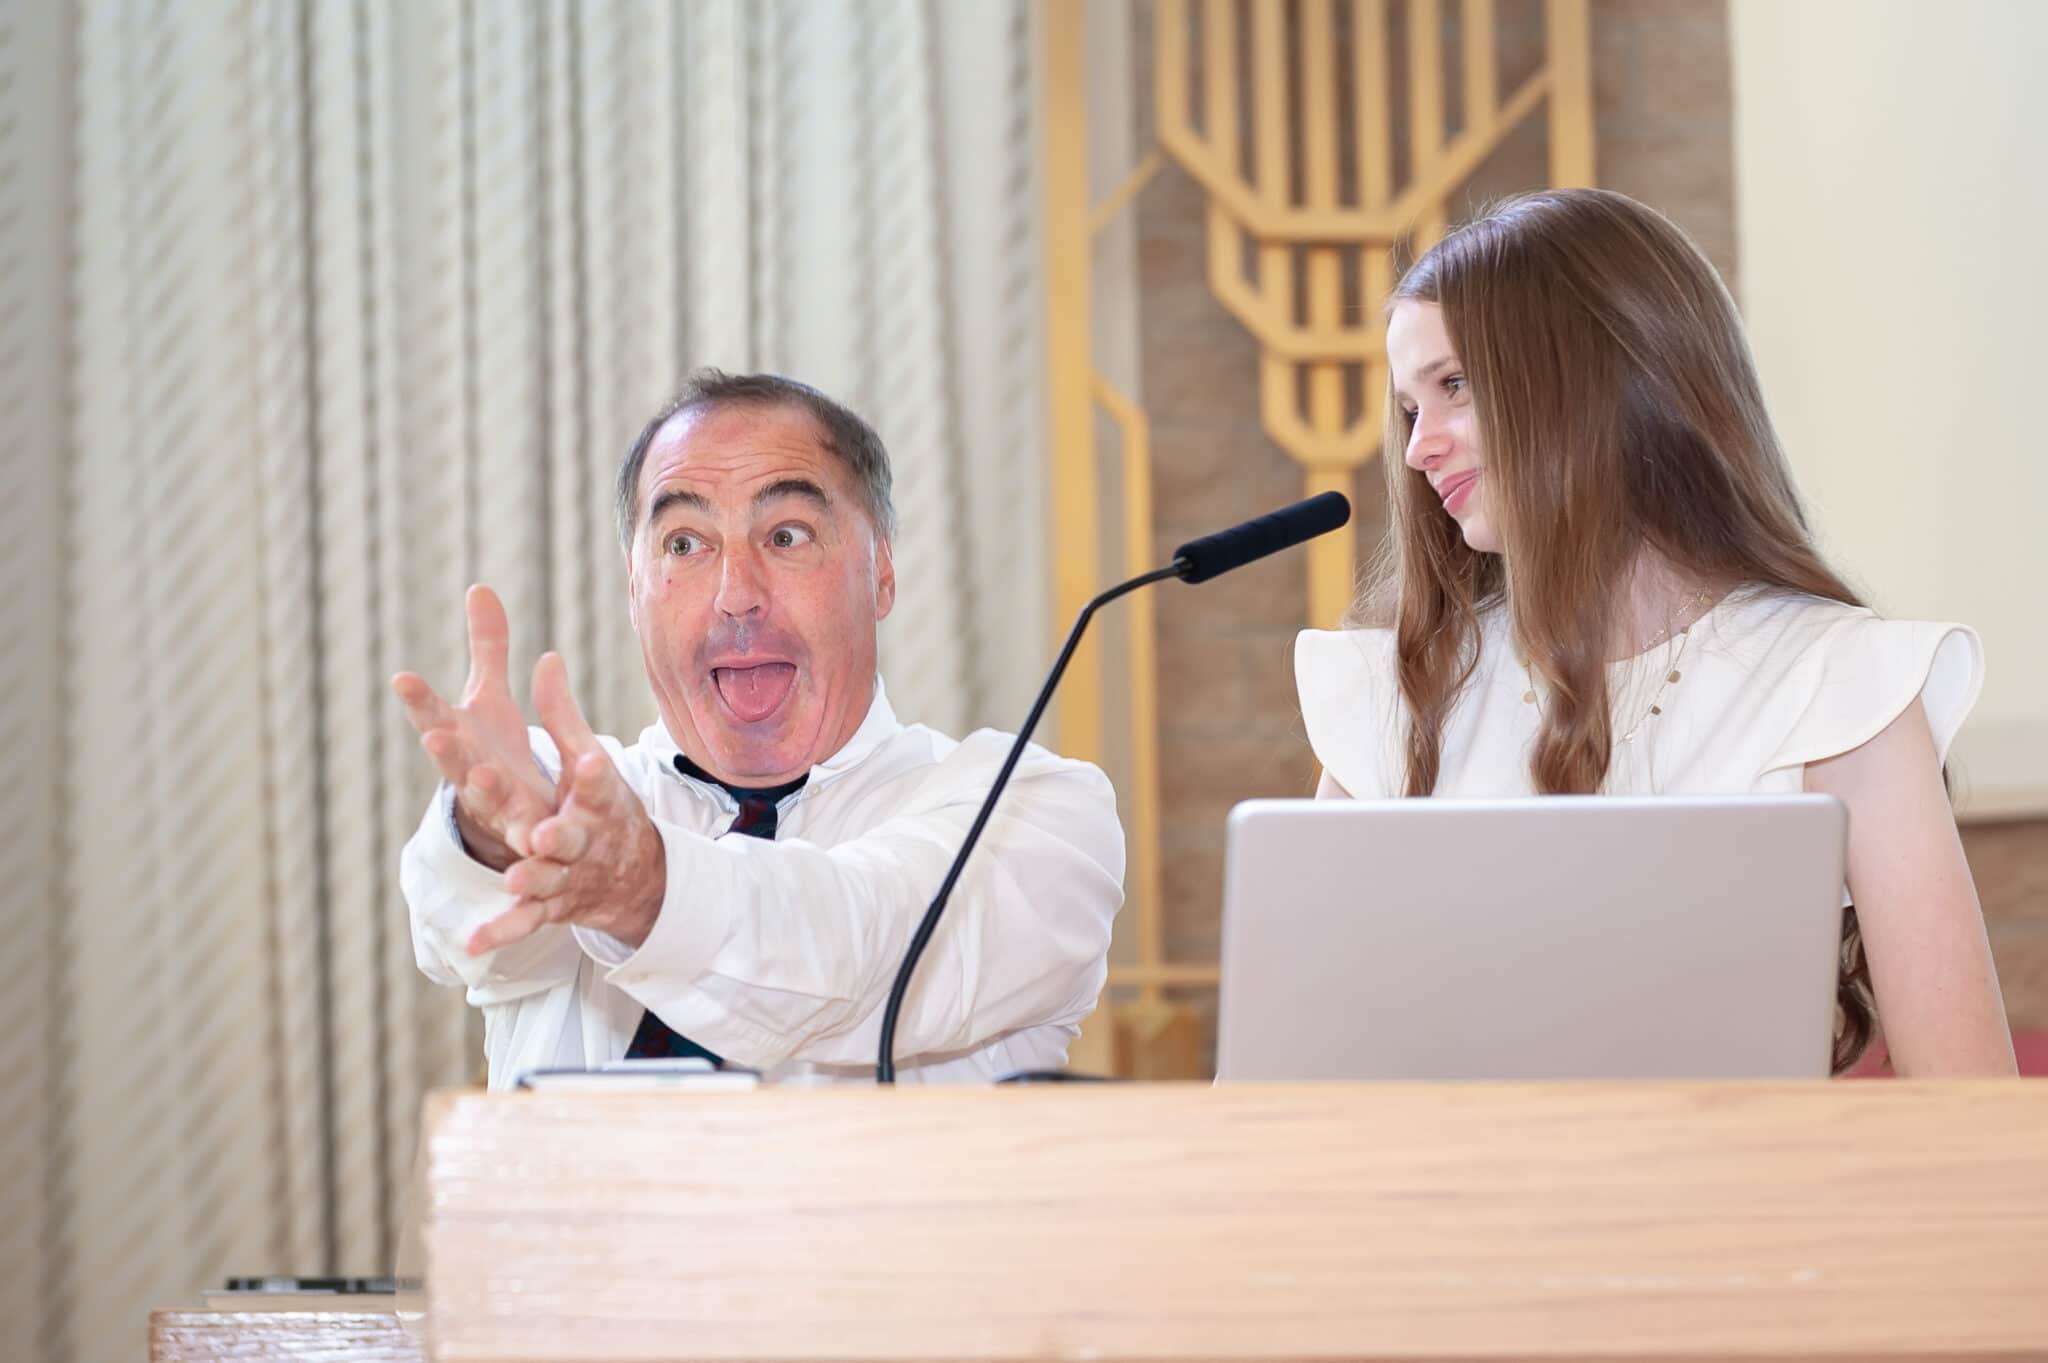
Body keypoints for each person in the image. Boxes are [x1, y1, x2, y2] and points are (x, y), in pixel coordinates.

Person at [1295, 189, 2014, 1076]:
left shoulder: (1839, 685)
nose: (1418, 447)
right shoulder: (1397, 690)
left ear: (1607, 377)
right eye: (1410, 408)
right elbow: (1272, 1077)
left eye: (1455, 387)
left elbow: (1970, 1104)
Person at [393, 370, 1124, 1085]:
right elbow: (460, 923)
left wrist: (644, 888)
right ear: (633, 590)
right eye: (684, 543)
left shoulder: (1033, 811)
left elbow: (866, 941)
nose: (736, 595)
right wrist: (496, 835)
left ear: (883, 575)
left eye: (787, 535)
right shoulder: (572, 802)